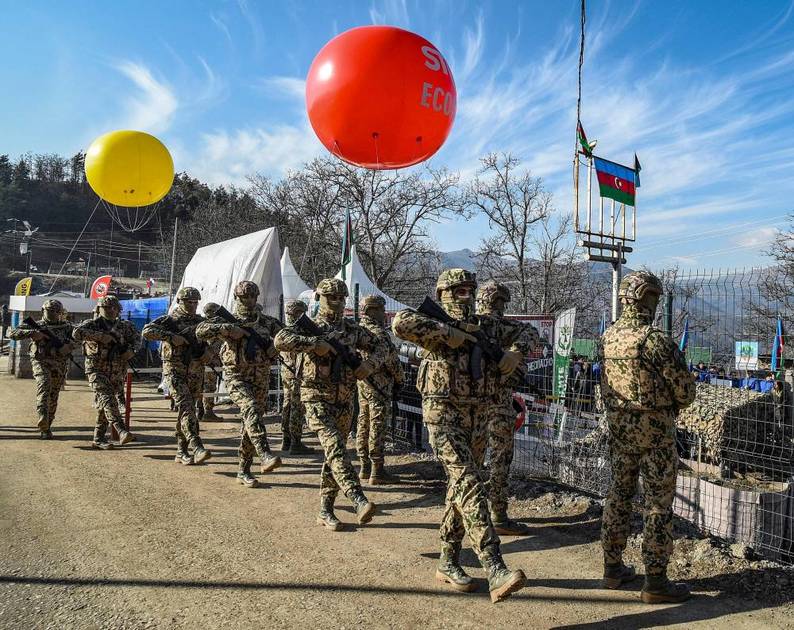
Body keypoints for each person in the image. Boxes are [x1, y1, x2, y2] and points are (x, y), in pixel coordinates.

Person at [392, 269, 526, 604]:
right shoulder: (431, 323)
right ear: (442, 294)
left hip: (477, 414)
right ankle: (494, 565)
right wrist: (446, 331)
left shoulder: (486, 325)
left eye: (470, 289)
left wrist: (516, 352)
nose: (465, 295)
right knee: (467, 481)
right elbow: (400, 323)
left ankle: (448, 560)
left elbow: (527, 331)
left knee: (460, 488)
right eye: (457, 290)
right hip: (442, 413)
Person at [600, 270, 696, 603]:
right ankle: (655, 581)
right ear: (647, 299)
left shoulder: (608, 337)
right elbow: (685, 392)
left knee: (618, 496)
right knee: (657, 504)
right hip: (655, 435)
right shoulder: (654, 340)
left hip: (619, 431)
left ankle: (612, 568)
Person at [274, 278, 382, 530]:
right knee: (335, 446)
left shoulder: (352, 330)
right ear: (319, 299)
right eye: (330, 297)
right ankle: (357, 497)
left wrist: (370, 365)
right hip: (315, 398)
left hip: (344, 401)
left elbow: (382, 347)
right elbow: (280, 339)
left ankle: (326, 509)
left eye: (340, 298)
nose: (336, 302)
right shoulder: (310, 327)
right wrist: (314, 344)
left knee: (335, 455)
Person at [196, 281, 283, 487]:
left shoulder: (266, 322)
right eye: (244, 297)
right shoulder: (227, 321)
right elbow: (201, 331)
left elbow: (286, 336)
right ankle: (265, 453)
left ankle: (244, 469)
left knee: (250, 421)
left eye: (252, 296)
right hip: (236, 377)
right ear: (237, 298)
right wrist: (228, 329)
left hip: (260, 378)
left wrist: (275, 348)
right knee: (250, 408)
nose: (249, 300)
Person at [476, 280, 539, 536]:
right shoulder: (505, 328)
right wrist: (515, 354)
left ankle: (472, 513)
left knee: (471, 462)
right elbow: (532, 333)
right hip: (499, 406)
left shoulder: (469, 324)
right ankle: (498, 515)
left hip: (471, 407)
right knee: (500, 461)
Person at [142, 287, 212, 465]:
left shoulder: (200, 322)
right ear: (180, 301)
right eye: (189, 301)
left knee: (187, 411)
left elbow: (212, 342)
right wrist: (171, 337)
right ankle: (196, 445)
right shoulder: (169, 320)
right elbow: (147, 331)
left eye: (196, 302)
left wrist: (208, 353)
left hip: (195, 372)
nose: (193, 305)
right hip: (175, 371)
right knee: (186, 406)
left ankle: (181, 450)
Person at [73, 295, 140, 449]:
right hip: (96, 369)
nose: (110, 310)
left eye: (113, 308)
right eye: (106, 308)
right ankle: (121, 429)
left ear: (118, 309)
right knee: (107, 398)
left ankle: (98, 438)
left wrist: (131, 350)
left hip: (117, 370)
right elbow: (76, 333)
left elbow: (137, 339)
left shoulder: (125, 326)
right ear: (99, 309)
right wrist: (101, 336)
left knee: (105, 404)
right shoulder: (92, 324)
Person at [7, 299, 74, 438]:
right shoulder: (37, 325)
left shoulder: (66, 326)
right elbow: (12, 333)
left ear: (60, 312)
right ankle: (42, 416)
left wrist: (69, 346)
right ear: (43, 311)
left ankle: (47, 427)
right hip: (41, 361)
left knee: (54, 395)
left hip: (59, 364)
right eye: (49, 311)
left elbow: (78, 338)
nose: (52, 314)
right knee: (44, 385)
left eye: (55, 311)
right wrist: (32, 333)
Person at [355, 295, 404, 485]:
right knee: (377, 425)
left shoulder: (358, 331)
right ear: (372, 310)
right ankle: (377, 469)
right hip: (380, 386)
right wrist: (401, 379)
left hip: (363, 384)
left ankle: (364, 467)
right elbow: (391, 361)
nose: (384, 314)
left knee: (363, 423)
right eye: (381, 310)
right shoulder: (379, 334)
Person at [279, 299, 315, 455]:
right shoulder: (299, 332)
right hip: (296, 373)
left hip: (287, 372)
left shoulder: (285, 331)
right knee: (296, 407)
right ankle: (295, 441)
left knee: (287, 405)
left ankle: (286, 439)